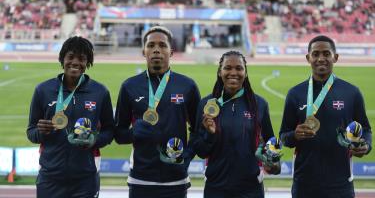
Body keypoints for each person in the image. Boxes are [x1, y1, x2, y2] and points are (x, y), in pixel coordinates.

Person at [279, 35, 372, 198]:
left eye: (326, 54)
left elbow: (366, 129)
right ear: (308, 58)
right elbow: (283, 136)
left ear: (335, 57)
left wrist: (366, 146)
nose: (321, 58)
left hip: (341, 184)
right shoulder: (295, 94)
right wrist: (294, 135)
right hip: (304, 184)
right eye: (315, 54)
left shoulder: (351, 92)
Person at [114, 25, 201, 198]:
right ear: (143, 51)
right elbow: (118, 134)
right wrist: (133, 133)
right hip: (140, 180)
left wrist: (187, 156)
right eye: (151, 45)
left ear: (171, 52)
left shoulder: (188, 86)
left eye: (162, 46)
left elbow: (199, 130)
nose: (156, 50)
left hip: (176, 180)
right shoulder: (129, 86)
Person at [27, 36, 114, 198]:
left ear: (88, 62)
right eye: (70, 57)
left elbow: (110, 131)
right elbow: (31, 132)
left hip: (85, 179)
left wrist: (94, 140)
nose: (75, 62)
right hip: (50, 178)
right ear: (62, 59)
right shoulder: (43, 90)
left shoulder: (100, 92)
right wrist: (41, 132)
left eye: (81, 59)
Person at [193, 50, 279, 198]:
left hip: (251, 189)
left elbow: (271, 146)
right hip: (216, 188)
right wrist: (209, 134)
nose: (233, 72)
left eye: (239, 68)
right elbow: (200, 151)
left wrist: (273, 163)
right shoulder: (206, 105)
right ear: (220, 72)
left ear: (245, 73)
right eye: (228, 68)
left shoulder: (259, 104)